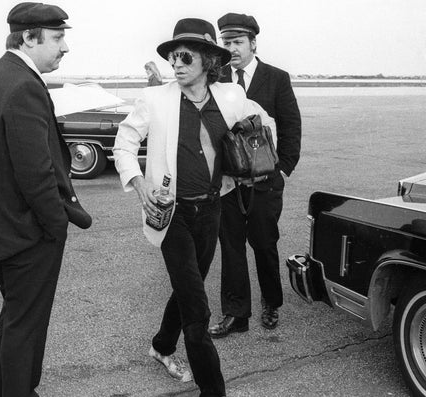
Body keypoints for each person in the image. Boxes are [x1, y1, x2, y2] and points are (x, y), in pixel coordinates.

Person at [113, 18, 275, 397]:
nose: (177, 63)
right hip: (172, 216)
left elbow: (264, 123)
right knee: (197, 309)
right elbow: (124, 143)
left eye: (185, 56)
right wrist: (139, 186)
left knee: (189, 288)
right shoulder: (156, 99)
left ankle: (162, 346)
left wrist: (257, 157)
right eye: (173, 56)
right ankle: (213, 389)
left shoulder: (231, 96)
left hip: (213, 209)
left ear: (207, 60)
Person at [0, 3, 91, 396]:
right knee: (26, 328)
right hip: (25, 233)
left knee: (16, 319)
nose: (65, 47)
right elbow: (36, 171)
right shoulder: (23, 84)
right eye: (58, 38)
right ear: (29, 38)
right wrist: (55, 227)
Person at [209, 13, 302, 338]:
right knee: (231, 245)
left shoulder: (276, 78)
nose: (231, 48)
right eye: (226, 42)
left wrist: (283, 169)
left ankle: (271, 304)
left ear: (253, 43)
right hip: (229, 183)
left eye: (237, 42)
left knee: (264, 243)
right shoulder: (215, 78)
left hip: (265, 181)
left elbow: (291, 125)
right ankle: (236, 314)